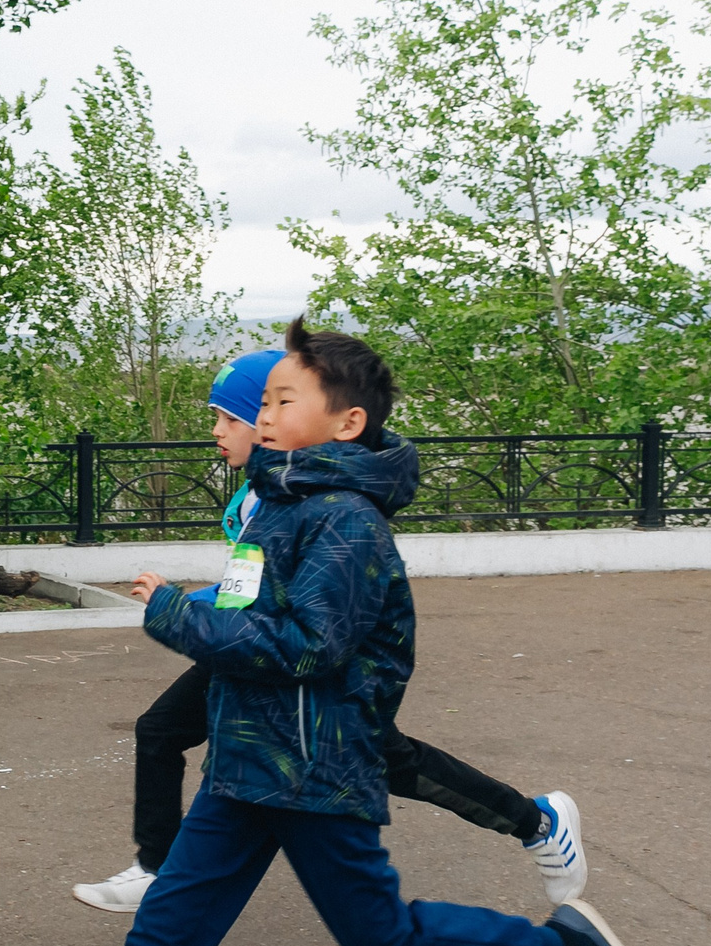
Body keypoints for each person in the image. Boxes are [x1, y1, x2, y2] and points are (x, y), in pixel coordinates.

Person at [0, 318, 660, 946]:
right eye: (262, 400)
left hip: (311, 772)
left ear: (347, 422)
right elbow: (251, 613)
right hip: (249, 764)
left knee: (388, 943)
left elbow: (307, 645)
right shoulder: (284, 502)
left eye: (283, 398)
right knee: (166, 924)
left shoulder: (346, 521)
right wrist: (197, 605)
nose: (263, 413)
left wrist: (171, 614)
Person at [73, 347, 586, 915]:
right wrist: (199, 609)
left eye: (234, 417)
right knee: (166, 731)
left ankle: (537, 821)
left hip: (321, 681)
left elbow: (311, 619)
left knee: (388, 767)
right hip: (262, 661)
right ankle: (162, 872)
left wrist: (184, 609)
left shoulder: (322, 503)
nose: (222, 430)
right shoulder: (261, 492)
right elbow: (254, 590)